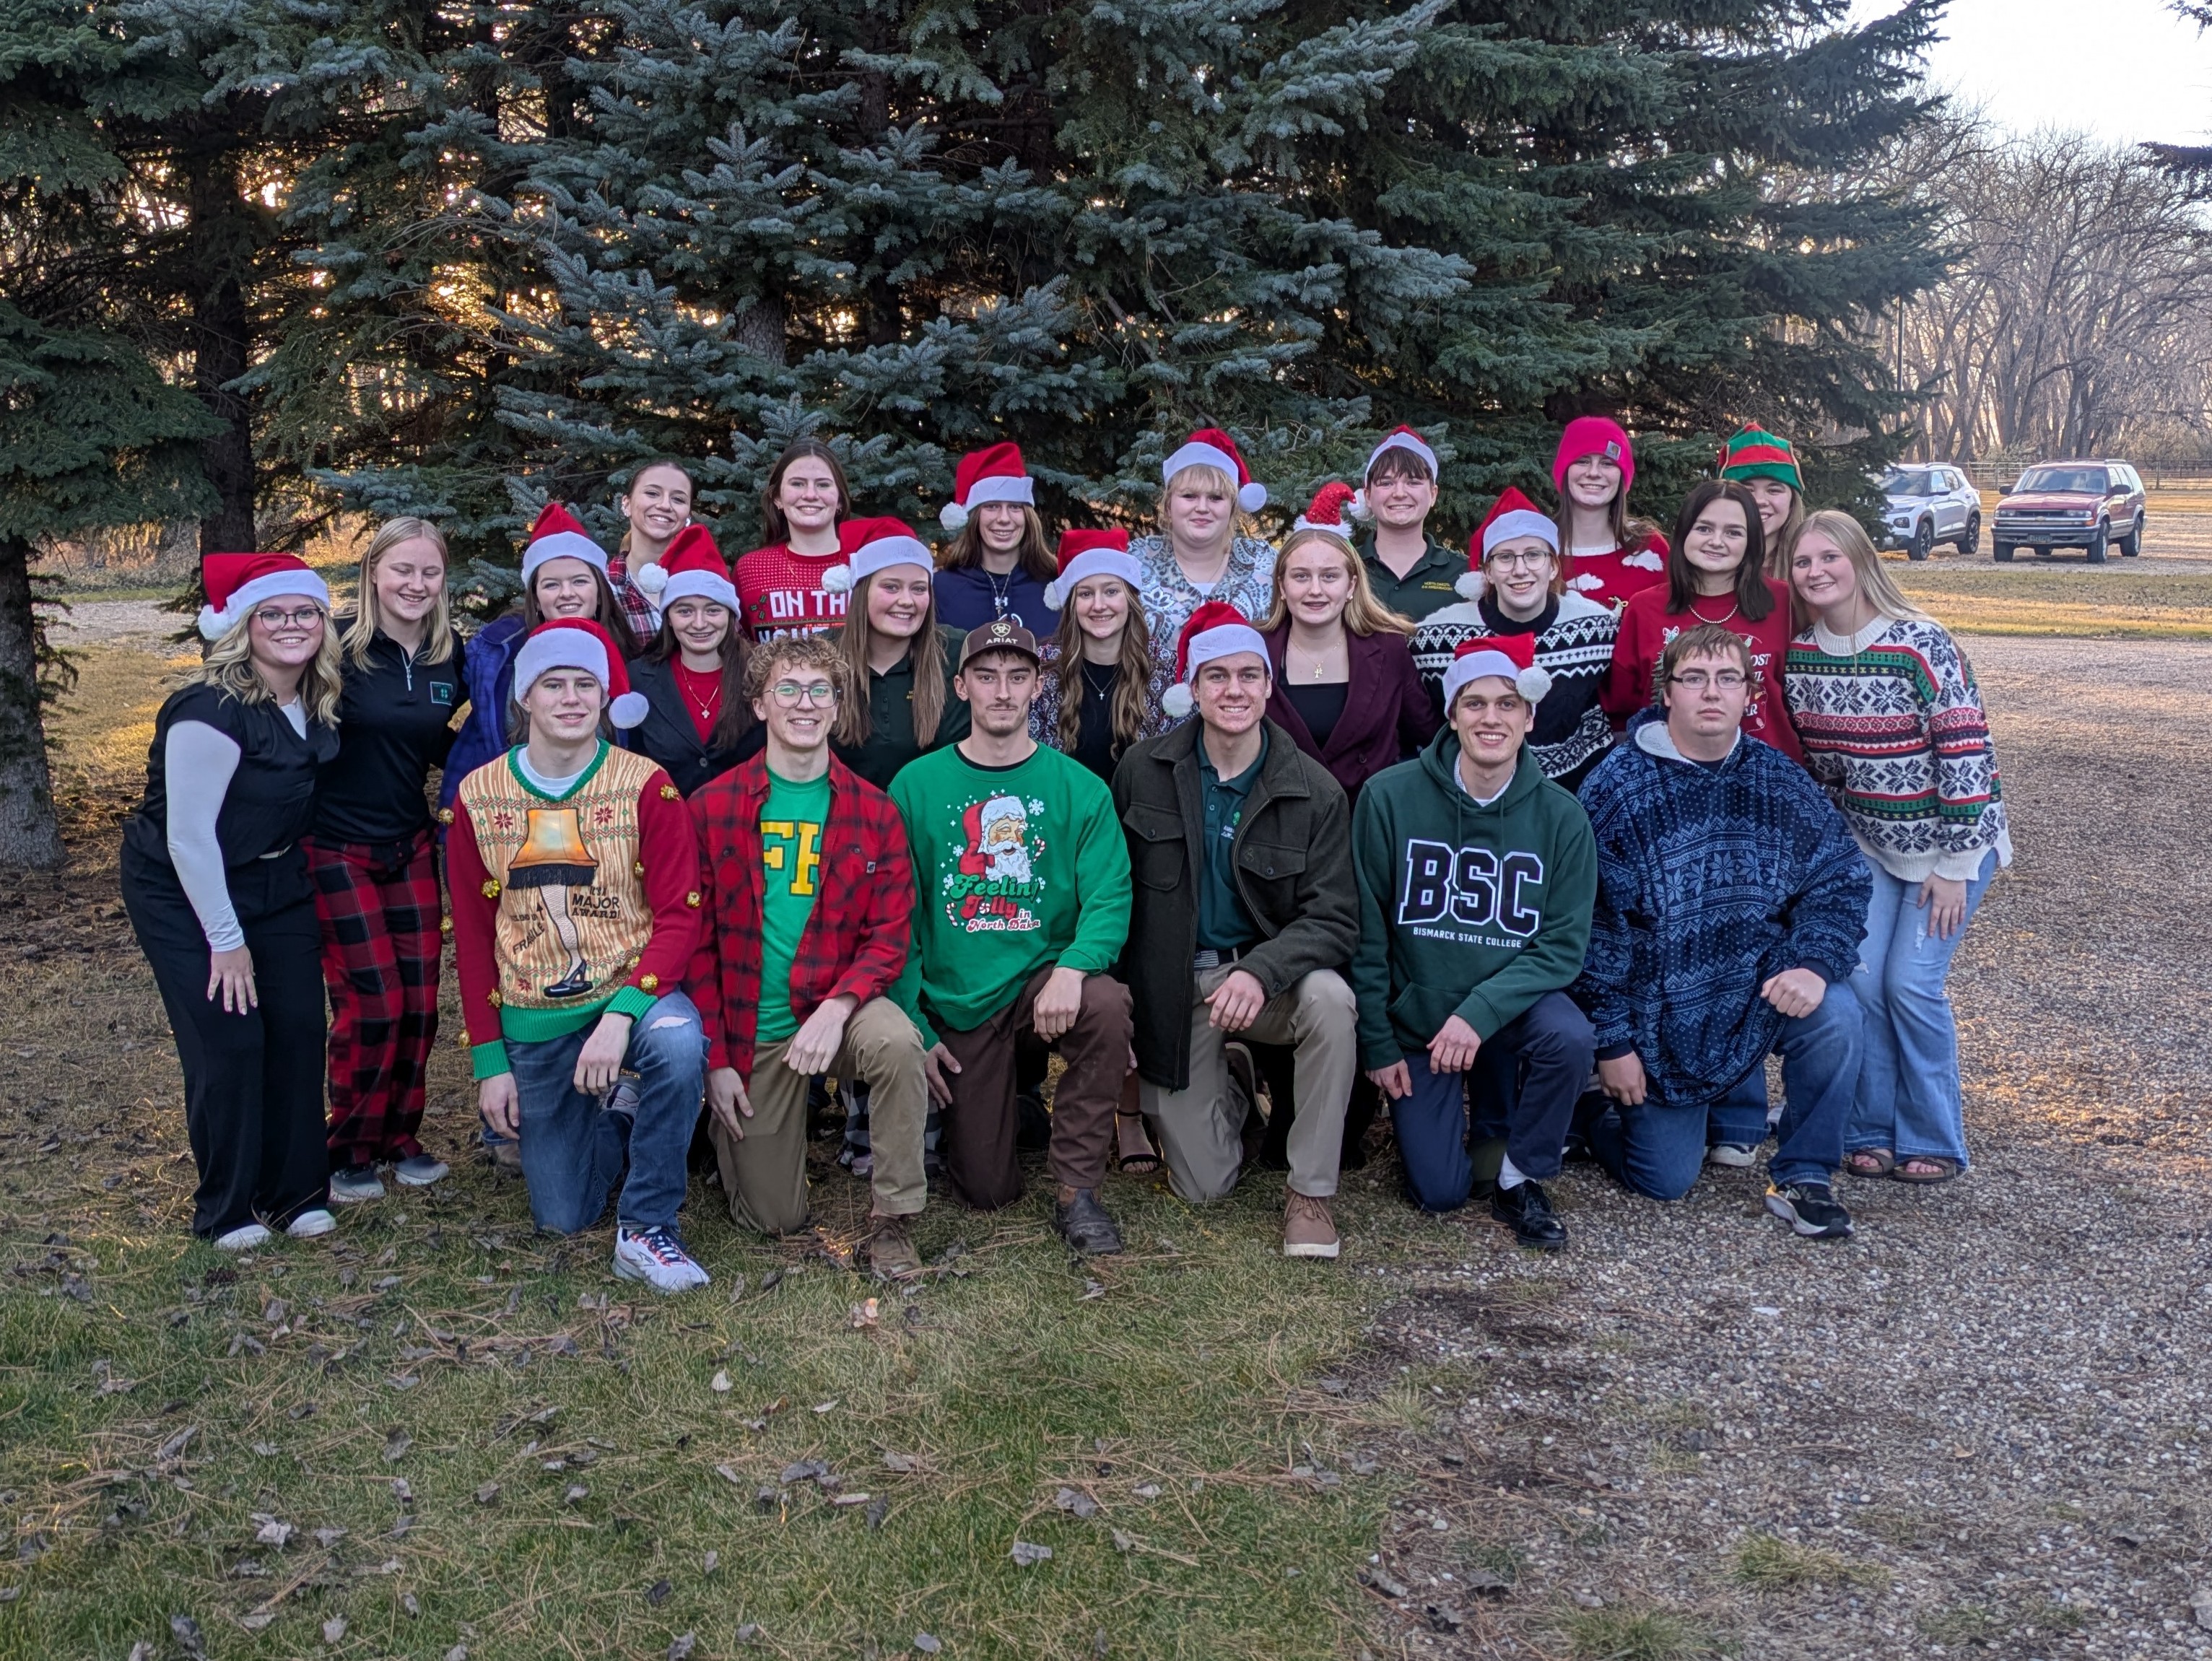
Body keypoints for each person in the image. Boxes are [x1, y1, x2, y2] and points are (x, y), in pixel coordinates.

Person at [1574, 624, 1871, 1239]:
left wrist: (1813, 963)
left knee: (1839, 1013)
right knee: (1664, 1180)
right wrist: (1612, 1044)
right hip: (1657, 1017)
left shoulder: (1780, 782)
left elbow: (1840, 880)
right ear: (1667, 692)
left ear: (1749, 693)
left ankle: (1804, 1173)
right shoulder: (1616, 787)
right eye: (1694, 678)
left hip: (1757, 990)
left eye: (1727, 678)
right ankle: (1590, 1110)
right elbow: (1594, 931)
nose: (1711, 692)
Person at [444, 619, 712, 1291]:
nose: (570, 698)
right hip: (536, 1010)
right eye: (553, 684)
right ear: (525, 698)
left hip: (634, 990)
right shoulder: (478, 798)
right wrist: (490, 1063)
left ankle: (649, 1225)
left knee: (679, 1045)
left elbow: (681, 915)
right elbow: (475, 940)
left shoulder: (648, 786)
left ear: (604, 697)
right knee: (561, 1215)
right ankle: (621, 1111)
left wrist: (622, 1016)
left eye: (585, 684)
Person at [1114, 603, 1361, 1257]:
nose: (1234, 691)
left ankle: (1310, 1192)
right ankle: (1232, 1082)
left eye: (1249, 676)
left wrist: (1261, 969)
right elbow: (1115, 892)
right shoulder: (1144, 770)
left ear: (1269, 685)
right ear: (1191, 688)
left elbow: (1335, 917)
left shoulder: (1314, 789)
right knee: (1203, 1185)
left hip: (1261, 982)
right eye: (1216, 676)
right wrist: (1123, 999)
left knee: (1332, 1000)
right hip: (1173, 984)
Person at [888, 619, 1136, 1254]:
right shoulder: (916, 787)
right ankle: (1016, 1109)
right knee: (985, 1189)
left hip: (1042, 982)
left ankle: (1077, 1189)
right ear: (962, 686)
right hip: (959, 994)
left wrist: (1075, 970)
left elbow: (1109, 896)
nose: (1003, 692)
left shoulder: (1080, 788)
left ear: (1037, 689)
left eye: (1018, 677)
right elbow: (896, 916)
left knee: (1106, 1005)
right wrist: (918, 1023)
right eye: (988, 677)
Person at [685, 636, 931, 1274]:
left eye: (820, 689)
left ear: (837, 705)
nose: (805, 703)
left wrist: (838, 1006)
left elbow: (889, 934)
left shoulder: (874, 811)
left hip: (838, 1010)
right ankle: (735, 1141)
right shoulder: (711, 808)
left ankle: (895, 1217)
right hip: (755, 1028)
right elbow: (697, 946)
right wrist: (716, 1059)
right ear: (761, 704)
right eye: (787, 689)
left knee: (898, 1042)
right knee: (774, 1220)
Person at [120, 553, 341, 1250]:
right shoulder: (208, 710)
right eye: (271, 614)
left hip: (276, 880)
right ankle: (229, 1208)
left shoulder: (317, 697)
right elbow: (188, 837)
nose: (290, 625)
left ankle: (297, 1192)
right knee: (232, 1037)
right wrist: (226, 937)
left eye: (304, 612)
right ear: (241, 628)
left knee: (302, 1026)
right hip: (183, 888)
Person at [1785, 510, 2011, 1186]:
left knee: (1911, 984)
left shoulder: (1922, 642)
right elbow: (1825, 771)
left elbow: (1968, 753)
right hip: (1870, 846)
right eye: (1803, 562)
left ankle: (1933, 1134)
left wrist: (1954, 866)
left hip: (1953, 844)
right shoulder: (1802, 655)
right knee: (1861, 980)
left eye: (1830, 557)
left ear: (1860, 561)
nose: (1817, 571)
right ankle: (1870, 1131)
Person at [1351, 634, 1597, 1246]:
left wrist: (1478, 1014)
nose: (1492, 718)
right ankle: (1481, 1126)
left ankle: (1521, 1176)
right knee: (1441, 1192)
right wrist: (1379, 1043)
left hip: (1507, 1013)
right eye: (1476, 703)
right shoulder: (1390, 796)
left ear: (1530, 715)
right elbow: (1368, 927)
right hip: (1421, 1018)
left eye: (1508, 704)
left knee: (1570, 1035)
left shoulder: (1562, 816)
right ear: (1453, 713)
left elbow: (1563, 946)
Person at [313, 519, 466, 1206]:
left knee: (421, 1003)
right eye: (402, 570)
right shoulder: (335, 647)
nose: (415, 584)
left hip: (410, 844)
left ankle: (400, 1136)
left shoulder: (449, 654)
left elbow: (453, 747)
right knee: (371, 1001)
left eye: (429, 573)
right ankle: (349, 1145)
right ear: (374, 572)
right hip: (336, 846)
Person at [1408, 488, 1618, 791]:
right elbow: (1420, 725)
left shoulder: (1598, 628)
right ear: (1488, 571)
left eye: (1534, 555)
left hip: (1578, 792)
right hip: (1469, 796)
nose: (1521, 570)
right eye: (1505, 558)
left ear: (1554, 565)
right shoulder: (1434, 639)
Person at [1258, 483, 1437, 805]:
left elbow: (1427, 739)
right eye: (1300, 576)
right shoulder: (1255, 650)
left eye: (1329, 576)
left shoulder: (1389, 650)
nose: (1315, 590)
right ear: (1282, 586)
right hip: (1277, 826)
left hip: (1364, 822)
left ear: (1351, 584)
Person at [447, 503, 637, 808]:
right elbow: (433, 711)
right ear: (535, 597)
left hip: (603, 815)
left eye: (579, 581)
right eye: (551, 584)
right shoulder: (498, 648)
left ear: (599, 590)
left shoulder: (625, 650)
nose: (567, 593)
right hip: (502, 812)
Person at [1603, 479, 1803, 763]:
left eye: (1733, 532)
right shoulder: (1644, 608)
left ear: (1751, 542)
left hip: (1770, 780)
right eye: (1704, 528)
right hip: (1669, 779)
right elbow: (1622, 710)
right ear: (1685, 531)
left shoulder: (1785, 602)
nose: (1716, 542)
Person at [818, 517, 972, 789]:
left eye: (919, 588)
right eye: (891, 587)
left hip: (935, 819)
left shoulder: (959, 653)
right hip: (847, 820)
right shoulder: (820, 658)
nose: (906, 601)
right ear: (861, 591)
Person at [1131, 427, 1277, 682]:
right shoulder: (1135, 561)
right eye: (1189, 496)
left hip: (1242, 714)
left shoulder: (1264, 564)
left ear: (1233, 507)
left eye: (1215, 498)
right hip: (1147, 715)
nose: (1202, 508)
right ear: (1168, 505)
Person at [624, 524, 762, 795]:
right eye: (685, 611)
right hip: (670, 826)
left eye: (713, 610)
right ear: (669, 618)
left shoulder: (761, 671)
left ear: (731, 615)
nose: (700, 624)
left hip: (748, 826)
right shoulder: (639, 678)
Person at [1033, 528, 1172, 780]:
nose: (1099, 605)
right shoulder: (1044, 669)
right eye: (1086, 594)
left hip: (1137, 814)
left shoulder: (1164, 670)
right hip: (1065, 812)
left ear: (1130, 599)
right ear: (1072, 604)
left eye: (1111, 591)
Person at [932, 443, 1059, 633]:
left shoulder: (1055, 588)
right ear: (975, 516)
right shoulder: (940, 589)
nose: (1004, 519)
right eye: (992, 506)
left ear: (1027, 516)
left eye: (1015, 507)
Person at [1550, 417, 1668, 614]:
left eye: (1607, 463)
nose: (1594, 473)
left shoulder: (1650, 548)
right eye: (1583, 461)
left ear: (1622, 476)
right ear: (1565, 470)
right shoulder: (1536, 549)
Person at [736, 437, 850, 640]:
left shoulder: (865, 564)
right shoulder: (751, 569)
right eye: (797, 484)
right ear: (777, 498)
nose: (810, 495)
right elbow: (738, 650)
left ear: (840, 500)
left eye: (823, 485)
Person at [1355, 426, 1464, 622]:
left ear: (1433, 494)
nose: (1399, 493)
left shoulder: (1465, 575)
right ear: (1368, 496)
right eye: (1386, 483)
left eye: (1413, 482)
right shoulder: (1344, 567)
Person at [606, 458, 697, 638]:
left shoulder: (702, 581)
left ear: (687, 513)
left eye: (678, 499)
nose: (665, 505)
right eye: (652, 493)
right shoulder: (603, 588)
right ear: (626, 504)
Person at [1718, 426, 1808, 578]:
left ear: (1793, 502)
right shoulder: (1703, 565)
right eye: (1747, 490)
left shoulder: (1809, 569)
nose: (1759, 501)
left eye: (1773, 490)